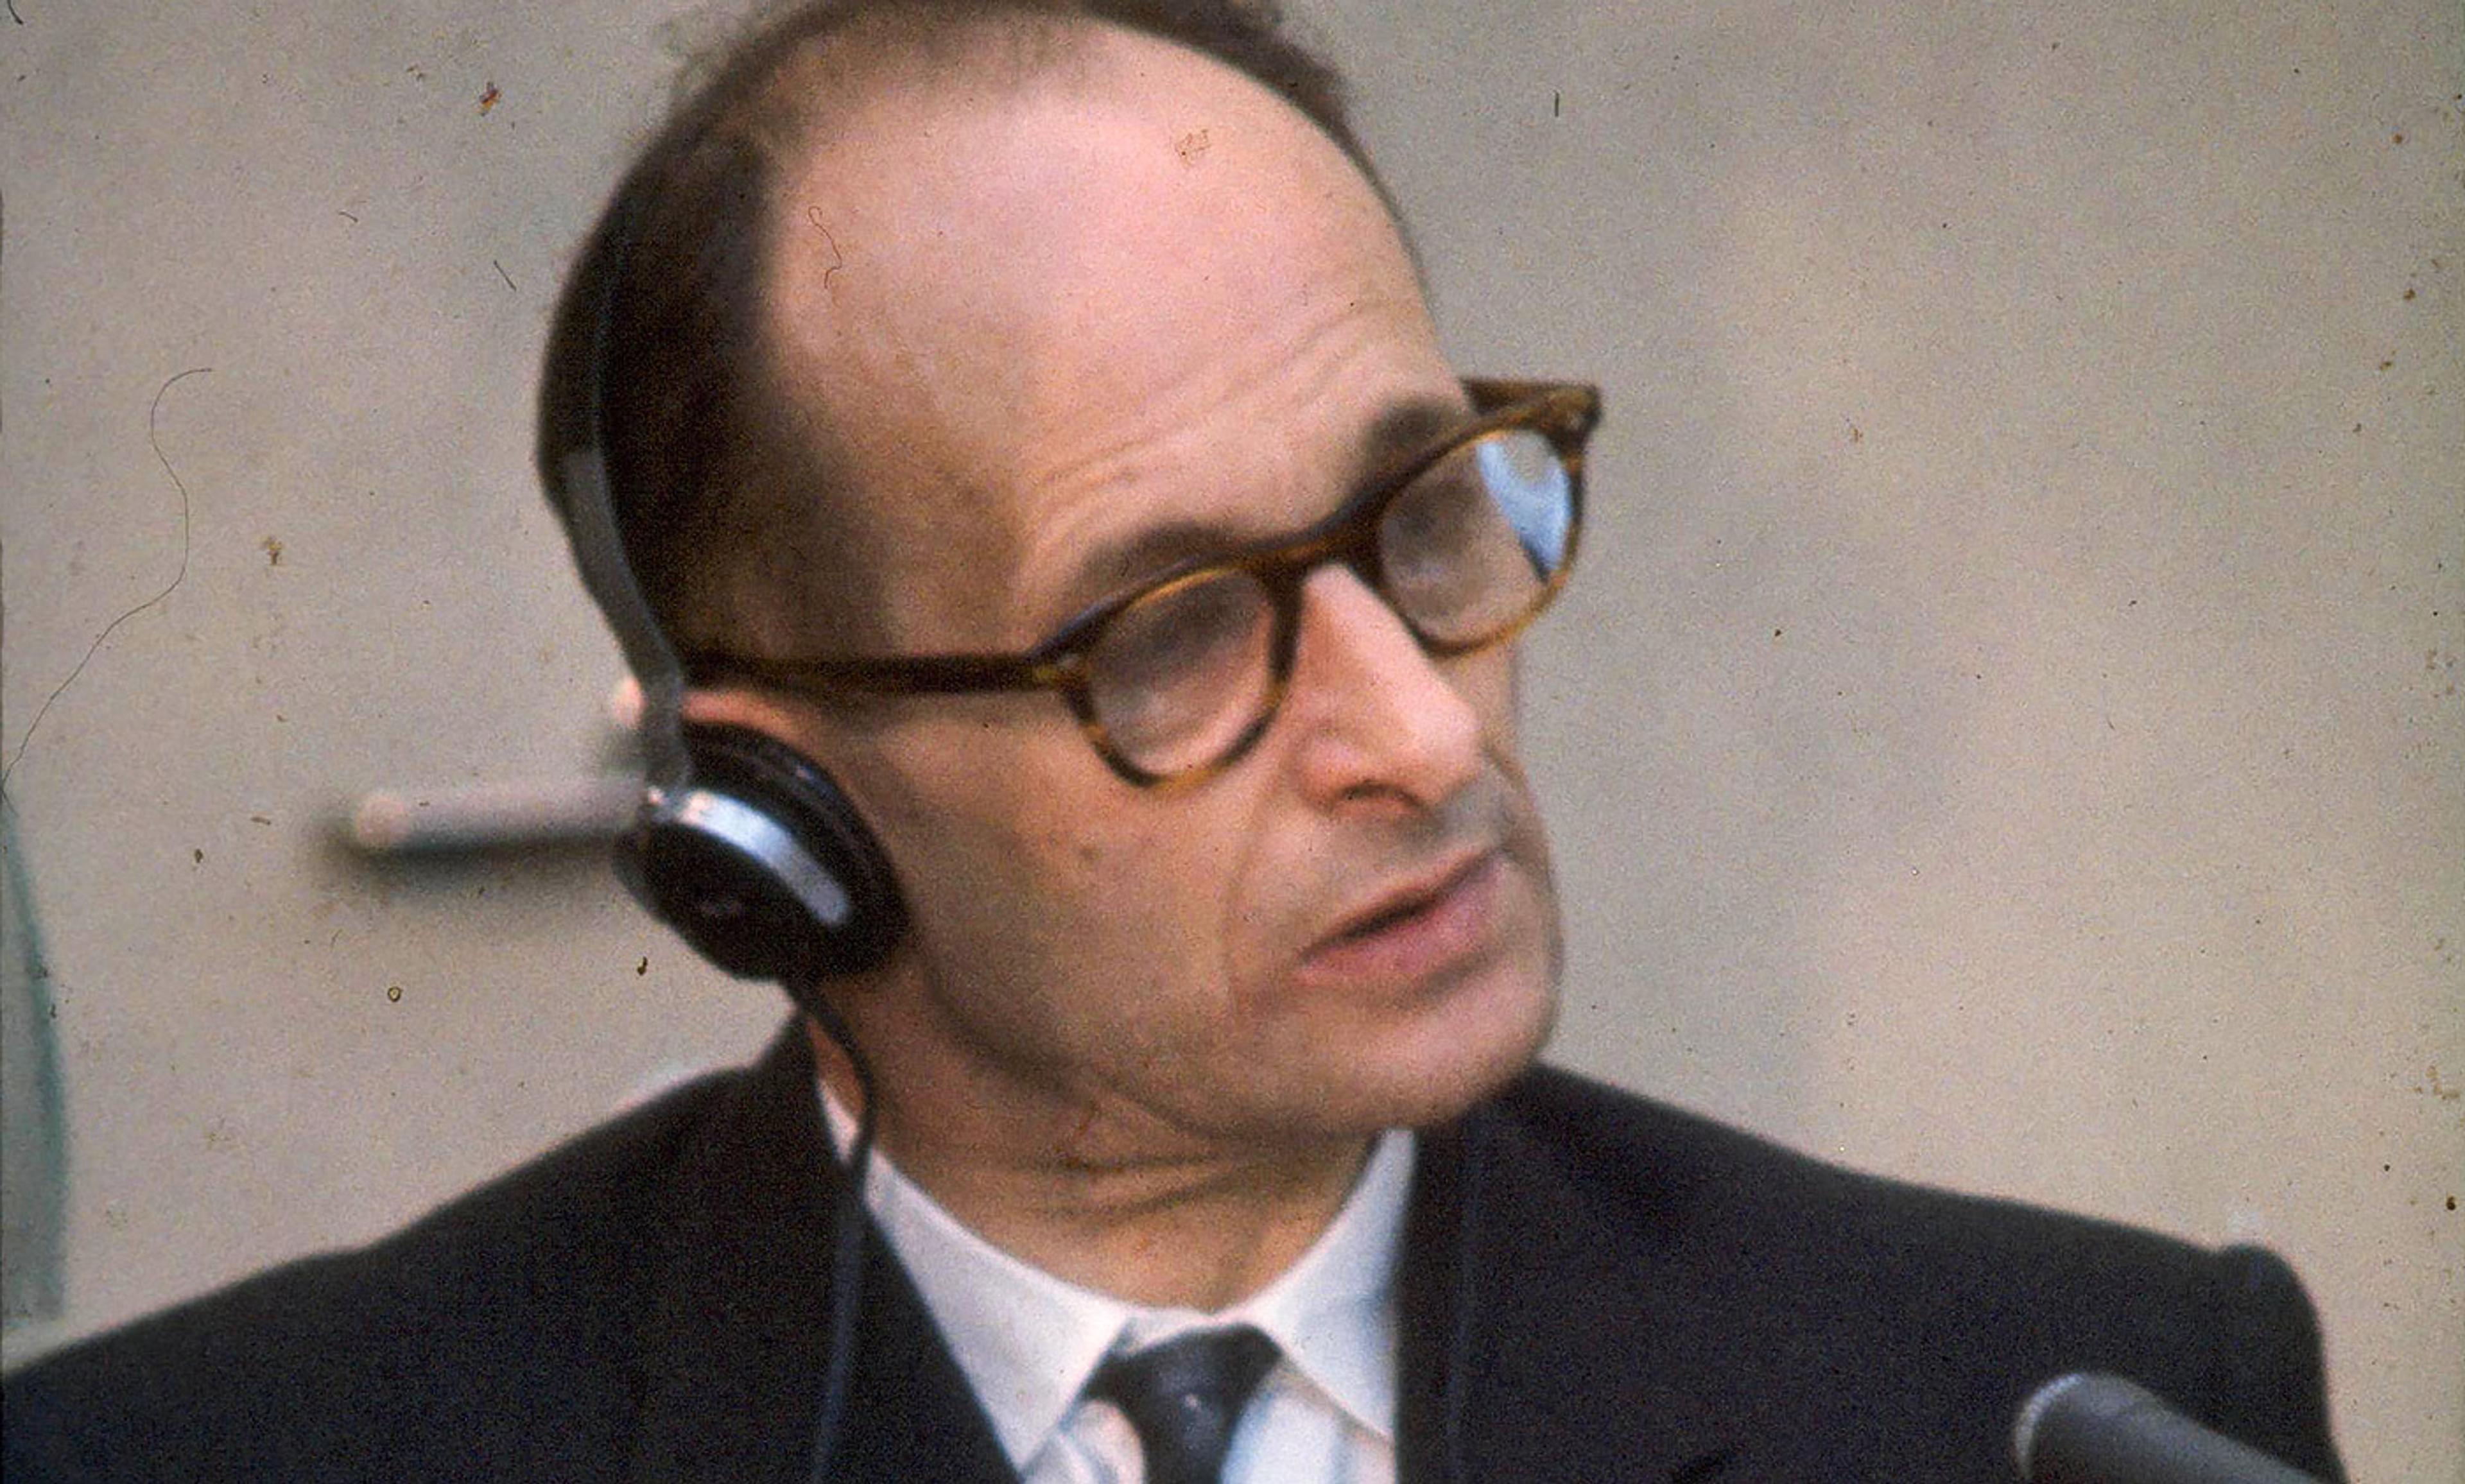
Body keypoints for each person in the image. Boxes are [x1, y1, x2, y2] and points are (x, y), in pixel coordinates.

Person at [3, 1, 2345, 1480]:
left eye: (1425, 513)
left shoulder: (2080, 1407)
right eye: (1173, 635)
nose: (1418, 731)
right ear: (781, 812)